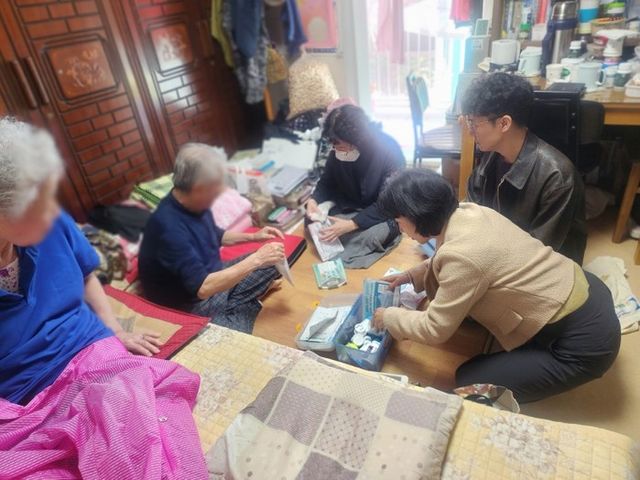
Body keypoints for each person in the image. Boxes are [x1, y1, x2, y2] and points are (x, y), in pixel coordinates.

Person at [0, 118, 207, 478]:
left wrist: (115, 330)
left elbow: (85, 273)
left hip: (91, 353)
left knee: (138, 431)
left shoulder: (54, 222)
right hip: (26, 393)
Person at [373, 169, 620, 403]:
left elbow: (434, 328)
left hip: (584, 345)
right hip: (587, 288)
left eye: (399, 220)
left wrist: (389, 316)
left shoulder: (462, 257)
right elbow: (452, 260)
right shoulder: (470, 211)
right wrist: (411, 275)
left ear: (417, 215)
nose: (399, 228)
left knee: (470, 382)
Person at [139, 143, 285, 334]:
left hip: (213, 275)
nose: (218, 195)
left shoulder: (193, 202)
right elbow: (203, 288)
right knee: (233, 334)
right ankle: (236, 307)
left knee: (274, 260)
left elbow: (216, 235)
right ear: (198, 188)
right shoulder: (169, 228)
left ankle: (232, 305)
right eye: (215, 190)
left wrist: (254, 236)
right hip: (190, 303)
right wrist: (257, 259)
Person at [462, 72, 587, 264]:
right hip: (500, 253)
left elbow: (537, 255)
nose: (470, 131)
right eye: (468, 121)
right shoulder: (490, 159)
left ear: (504, 123)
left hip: (544, 268)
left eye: (474, 123)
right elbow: (471, 216)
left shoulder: (557, 178)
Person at [306, 104, 404, 269]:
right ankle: (342, 239)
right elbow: (327, 181)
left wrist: (352, 224)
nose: (336, 150)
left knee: (372, 235)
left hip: (380, 212)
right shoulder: (338, 150)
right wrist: (313, 200)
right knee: (311, 219)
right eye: (334, 145)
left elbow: (388, 203)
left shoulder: (389, 150)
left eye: (340, 146)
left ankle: (343, 242)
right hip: (349, 206)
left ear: (358, 140)